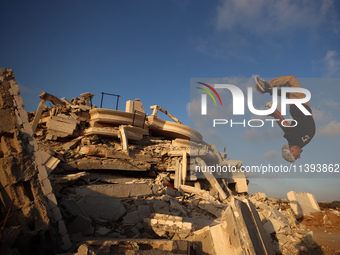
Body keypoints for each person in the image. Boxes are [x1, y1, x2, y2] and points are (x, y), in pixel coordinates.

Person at [254, 76, 316, 162]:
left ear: (292, 151)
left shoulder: (294, 140)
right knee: (289, 93)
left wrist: (275, 112)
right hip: (302, 107)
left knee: (291, 80)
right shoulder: (298, 142)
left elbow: (284, 125)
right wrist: (275, 114)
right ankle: (266, 90)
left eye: (296, 156)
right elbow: (285, 129)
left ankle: (267, 85)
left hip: (300, 106)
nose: (299, 157)